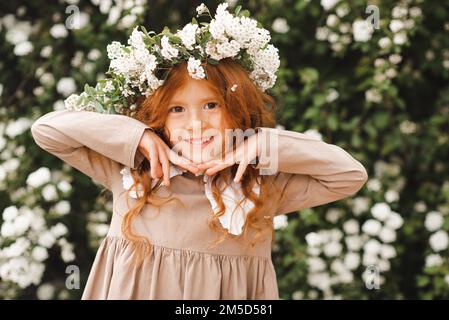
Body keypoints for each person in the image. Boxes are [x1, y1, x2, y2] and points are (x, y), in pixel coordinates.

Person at [30, 3, 368, 299]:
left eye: (211, 105)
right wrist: (140, 138)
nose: (196, 124)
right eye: (177, 109)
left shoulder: (259, 185)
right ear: (159, 118)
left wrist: (262, 144)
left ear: (236, 110)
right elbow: (47, 131)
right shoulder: (132, 169)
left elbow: (348, 175)